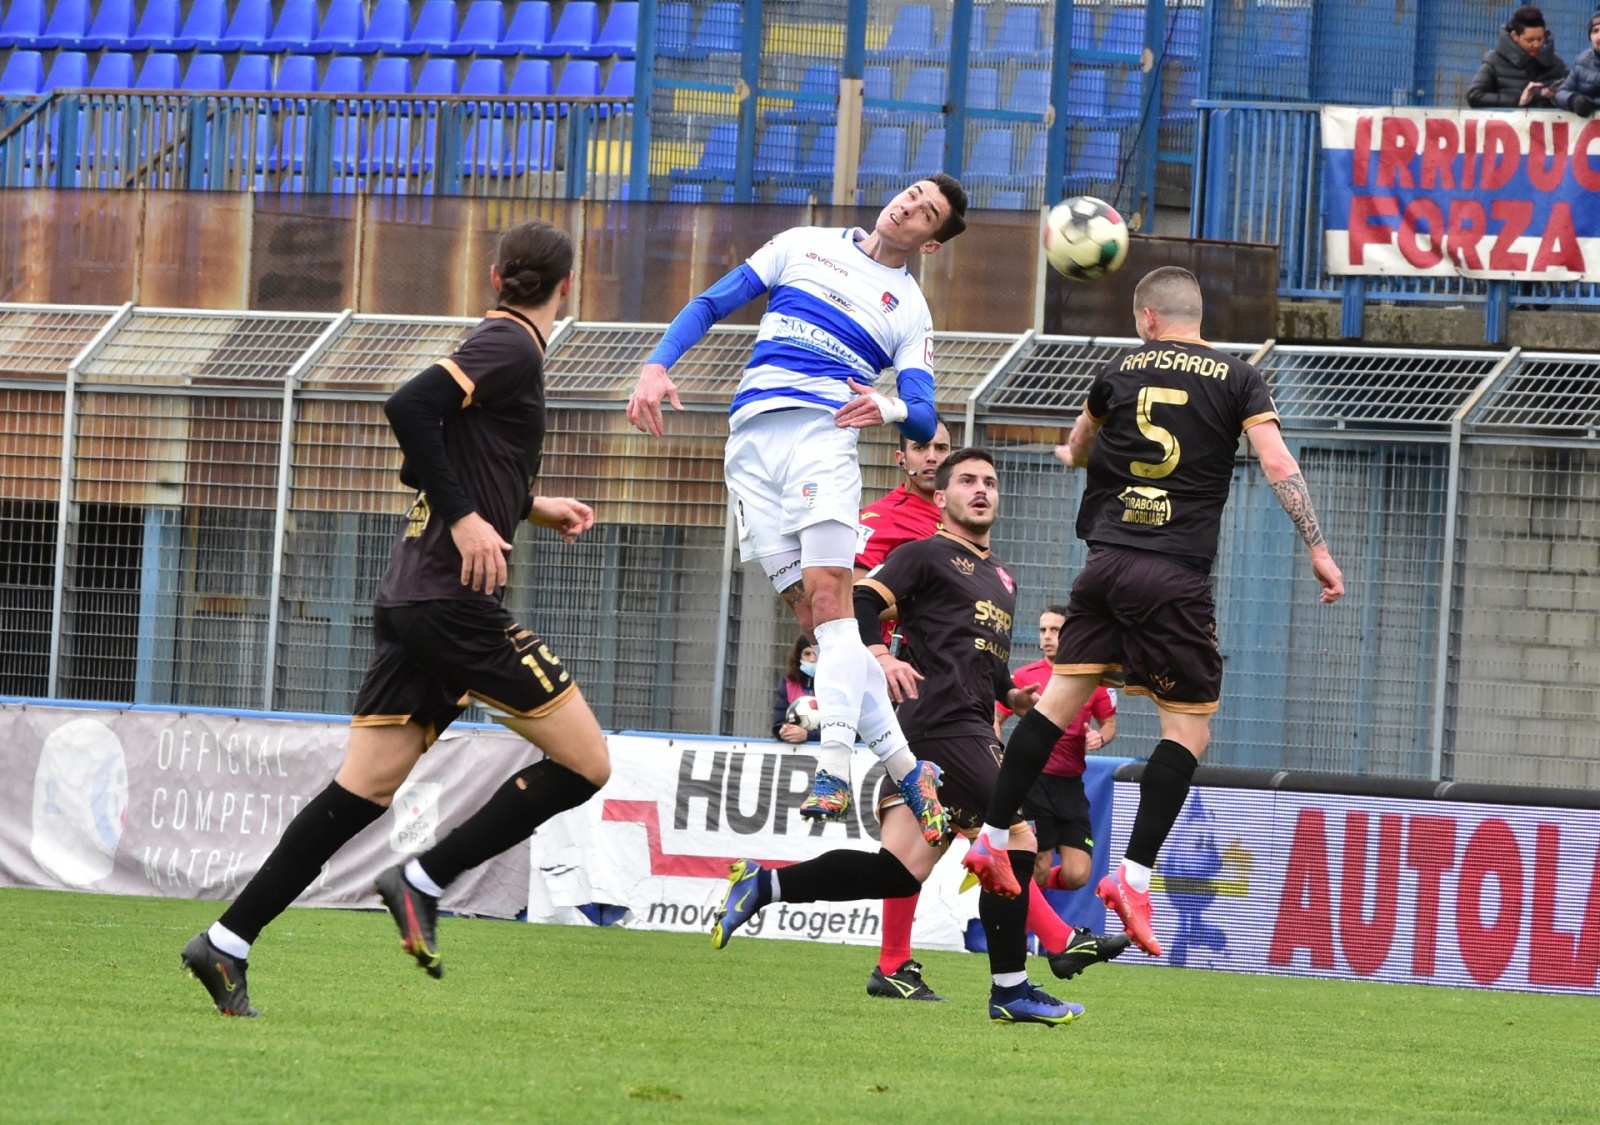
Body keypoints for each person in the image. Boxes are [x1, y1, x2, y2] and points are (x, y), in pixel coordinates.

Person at [181, 221, 605, 1017]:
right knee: (586, 765)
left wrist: (527, 506)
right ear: (567, 288)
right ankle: (420, 879)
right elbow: (407, 404)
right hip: (451, 600)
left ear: (490, 274)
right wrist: (472, 521)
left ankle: (226, 942)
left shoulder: (495, 350)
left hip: (412, 595)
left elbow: (426, 454)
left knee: (361, 789)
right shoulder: (511, 347)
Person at [963, 267, 1345, 961]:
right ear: (1194, 317)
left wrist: (1068, 451)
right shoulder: (1239, 377)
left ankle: (991, 841)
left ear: (1146, 318)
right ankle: (1132, 879)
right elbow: (1276, 459)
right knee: (1188, 733)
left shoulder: (1117, 370)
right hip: (1173, 576)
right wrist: (1317, 547)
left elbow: (1078, 442)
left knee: (1050, 708)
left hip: (1103, 566)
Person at [710, 449, 1128, 1025]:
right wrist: (878, 651)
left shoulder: (1002, 577)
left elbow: (978, 658)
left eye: (989, 482)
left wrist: (1012, 697)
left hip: (964, 722)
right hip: (942, 722)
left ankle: (766, 885)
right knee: (1016, 838)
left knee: (900, 869)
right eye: (966, 481)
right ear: (942, 498)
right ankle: (1016, 984)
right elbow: (858, 599)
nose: (980, 490)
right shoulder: (924, 553)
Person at [627, 176, 969, 844]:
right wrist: (657, 362)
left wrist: (891, 407)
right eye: (913, 192)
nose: (908, 205)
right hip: (750, 446)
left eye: (927, 212)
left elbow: (924, 408)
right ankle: (907, 767)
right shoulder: (803, 244)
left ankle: (835, 764)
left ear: (931, 242)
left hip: (821, 438)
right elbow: (711, 300)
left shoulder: (909, 310)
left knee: (831, 598)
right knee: (818, 622)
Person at [995, 606, 1116, 893]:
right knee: (1037, 866)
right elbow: (996, 717)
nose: (1047, 637)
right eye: (1042, 630)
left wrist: (1100, 737)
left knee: (1078, 874)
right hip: (1033, 783)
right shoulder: (1025, 677)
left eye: (1055, 630)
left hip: (1071, 787)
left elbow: (1109, 723)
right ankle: (1018, 932)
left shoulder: (1090, 679)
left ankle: (1016, 884)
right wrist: (996, 752)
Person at [854, 420, 953, 579]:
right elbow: (855, 592)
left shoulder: (962, 514)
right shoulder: (881, 517)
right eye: (919, 448)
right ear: (902, 459)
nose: (932, 457)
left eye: (941, 448)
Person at [1468, 6, 1568, 108]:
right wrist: (1517, 100)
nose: (1536, 44)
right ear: (1515, 36)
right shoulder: (1494, 61)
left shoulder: (1556, 64)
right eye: (1530, 40)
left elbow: (1574, 93)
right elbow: (1475, 96)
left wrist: (1557, 97)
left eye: (1540, 39)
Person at [773, 635, 821, 744]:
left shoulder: (836, 685)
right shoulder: (788, 683)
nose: (812, 659)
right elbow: (778, 722)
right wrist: (784, 731)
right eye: (807, 654)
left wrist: (808, 735)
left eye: (816, 653)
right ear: (799, 656)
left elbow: (849, 731)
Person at [1554, 13, 1600, 116]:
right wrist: (1575, 100)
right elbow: (1560, 94)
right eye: (1595, 31)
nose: (1599, 36)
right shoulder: (1582, 61)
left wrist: (1592, 104)